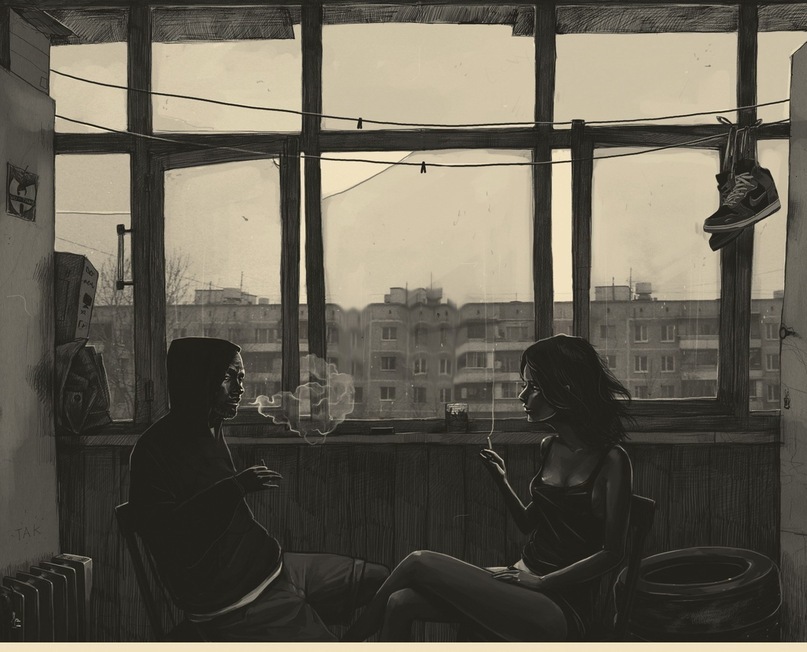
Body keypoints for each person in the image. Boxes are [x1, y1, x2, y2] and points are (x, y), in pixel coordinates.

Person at [342, 334, 633, 642]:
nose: (522, 395)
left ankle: (347, 644)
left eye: (533, 386)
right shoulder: (550, 447)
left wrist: (543, 582)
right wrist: (501, 480)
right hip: (522, 578)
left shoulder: (613, 460)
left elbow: (612, 554)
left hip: (561, 605)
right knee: (400, 602)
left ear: (565, 389)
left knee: (418, 561)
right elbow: (528, 522)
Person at [128, 337, 388, 641]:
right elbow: (172, 537)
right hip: (234, 602)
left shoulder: (210, 429)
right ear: (198, 379)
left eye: (241, 377)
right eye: (228, 377)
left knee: (380, 580)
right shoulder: (155, 450)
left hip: (275, 569)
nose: (240, 388)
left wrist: (236, 489)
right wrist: (236, 487)